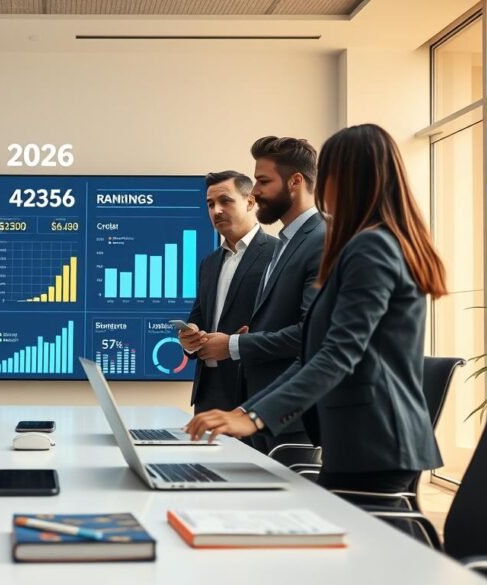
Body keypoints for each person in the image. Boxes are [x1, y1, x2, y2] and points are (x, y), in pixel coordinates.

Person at [185, 124, 447, 496]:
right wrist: (246, 411)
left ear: (349, 179)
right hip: (358, 440)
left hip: (375, 441)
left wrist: (252, 416)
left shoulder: (371, 247)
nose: (320, 186)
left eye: (328, 175)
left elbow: (337, 352)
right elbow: (317, 347)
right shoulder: (367, 242)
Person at [200, 136, 325, 453]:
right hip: (262, 406)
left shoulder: (322, 239)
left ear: (295, 181)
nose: (254, 191)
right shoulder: (287, 242)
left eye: (263, 181)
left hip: (290, 418)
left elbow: (312, 335)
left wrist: (234, 344)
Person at [178, 171, 275, 413]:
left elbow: (288, 326)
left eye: (225, 201)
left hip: (254, 392)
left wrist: (238, 343)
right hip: (207, 393)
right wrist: (189, 340)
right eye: (210, 204)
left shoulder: (278, 253)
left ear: (250, 202)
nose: (216, 210)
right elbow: (198, 318)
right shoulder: (209, 263)